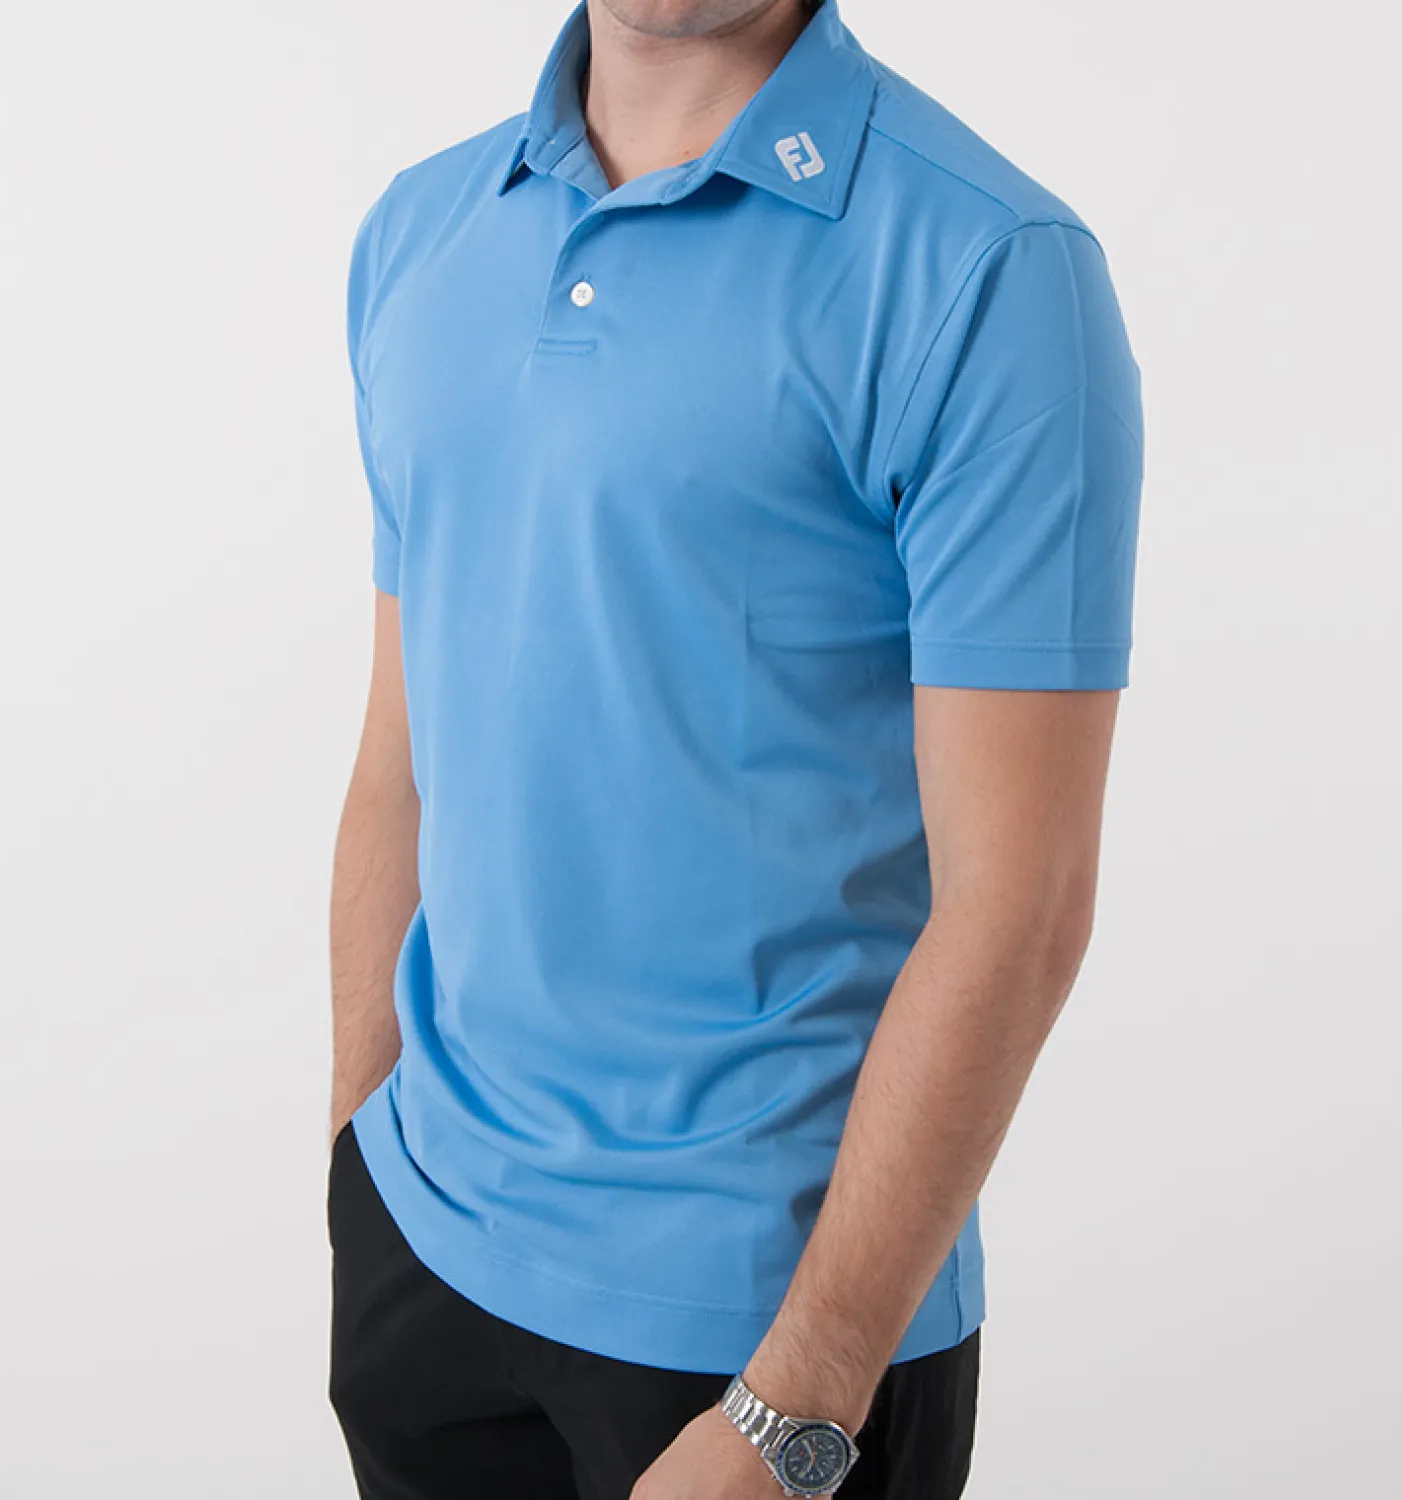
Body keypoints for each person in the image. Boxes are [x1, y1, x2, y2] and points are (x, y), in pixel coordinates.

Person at [325, 0, 1144, 1495]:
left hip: (761, 1337)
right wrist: (357, 1166)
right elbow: (402, 751)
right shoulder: (420, 230)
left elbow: (1022, 905)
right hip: (426, 1258)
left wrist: (798, 1403)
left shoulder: (990, 269)